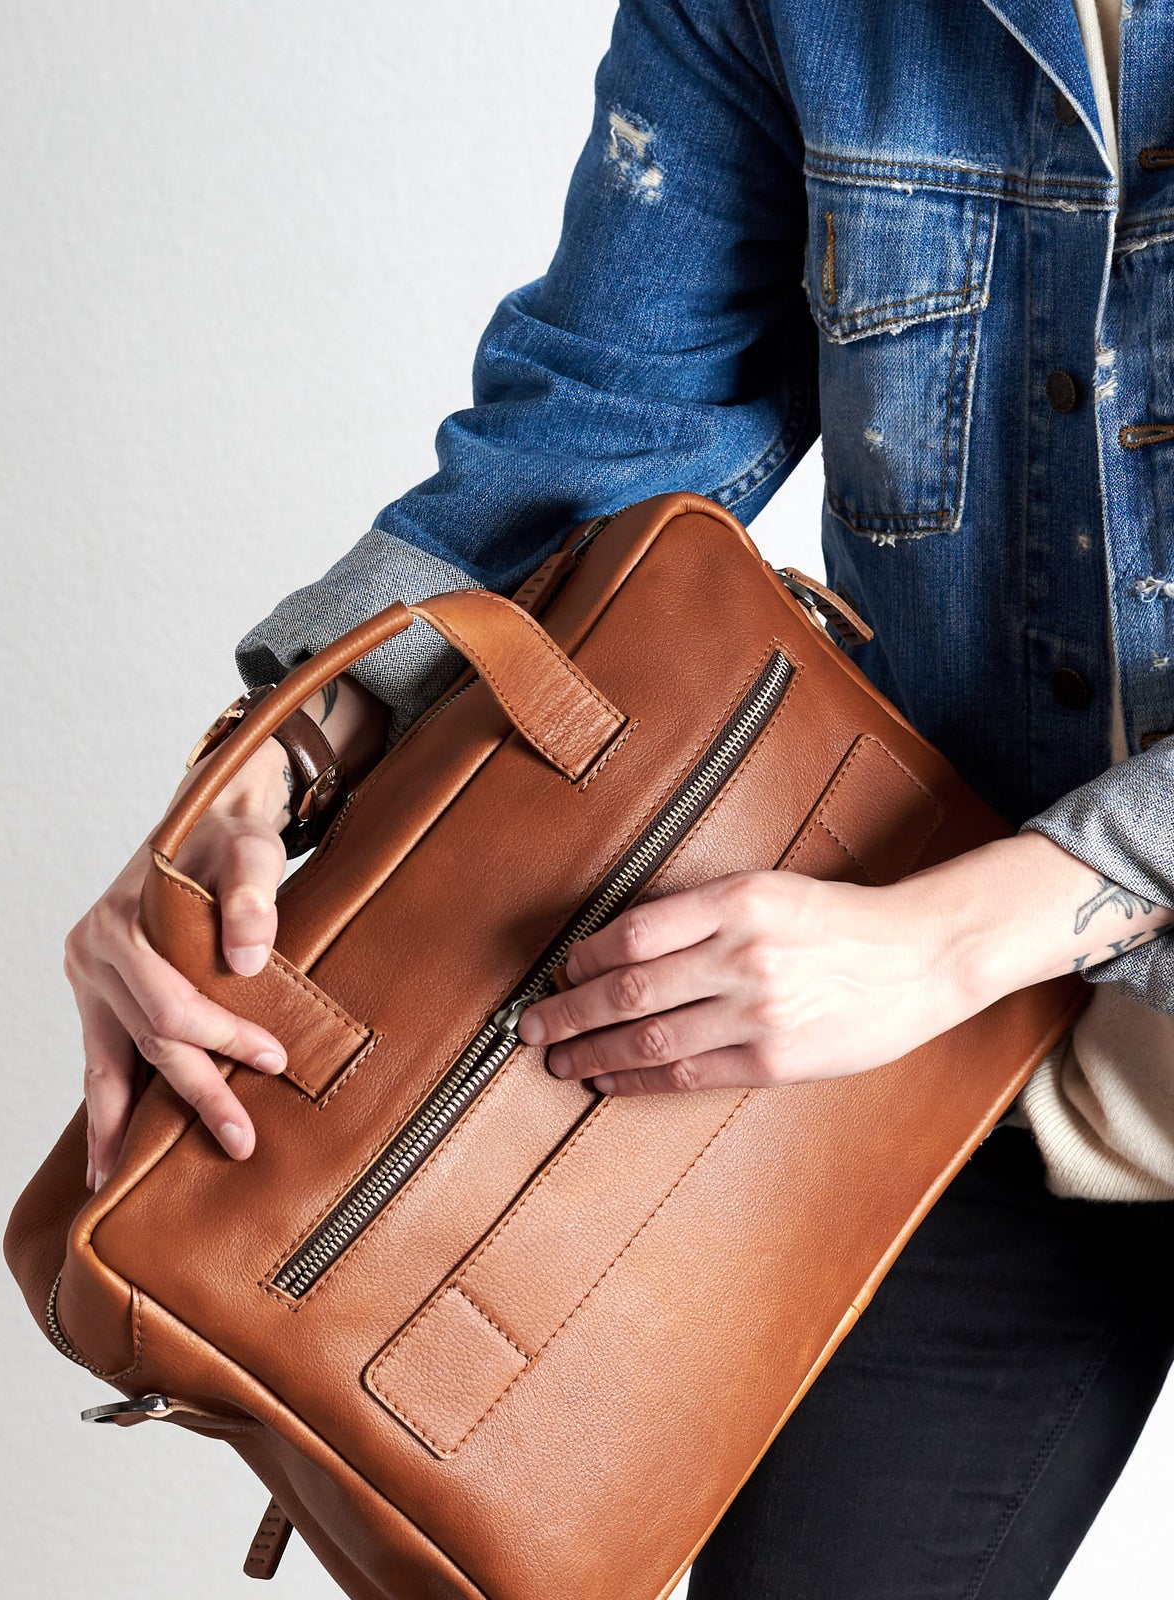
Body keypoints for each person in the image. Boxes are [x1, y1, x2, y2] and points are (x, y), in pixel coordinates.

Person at [64, 2, 1174, 1591]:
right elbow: (617, 429)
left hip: (943, 964)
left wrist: (963, 932)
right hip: (944, 1072)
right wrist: (274, 759)